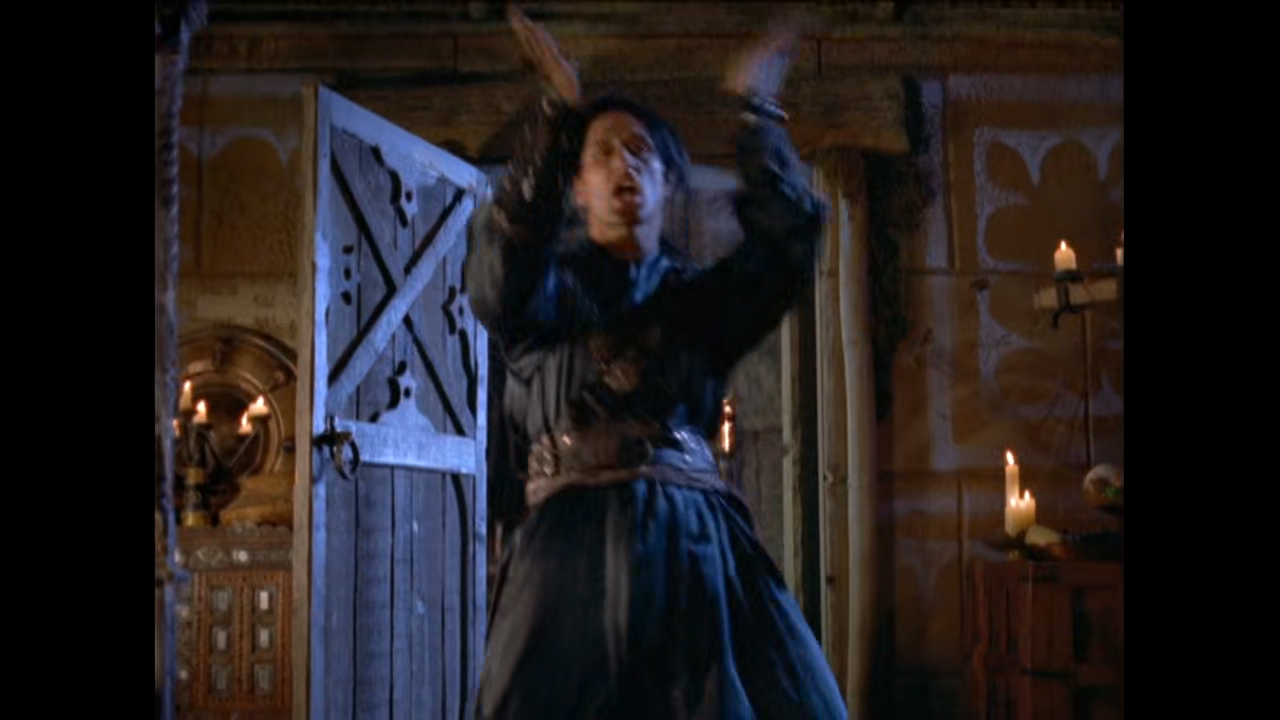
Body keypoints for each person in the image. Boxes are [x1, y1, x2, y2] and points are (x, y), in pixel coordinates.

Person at [464, 6, 846, 718]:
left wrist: (758, 113)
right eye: (603, 152)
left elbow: (788, 245)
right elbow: (499, 278)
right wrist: (555, 119)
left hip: (694, 548)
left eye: (643, 152)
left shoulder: (701, 308)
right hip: (566, 559)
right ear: (577, 187)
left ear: (669, 186)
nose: (625, 163)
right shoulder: (543, 298)